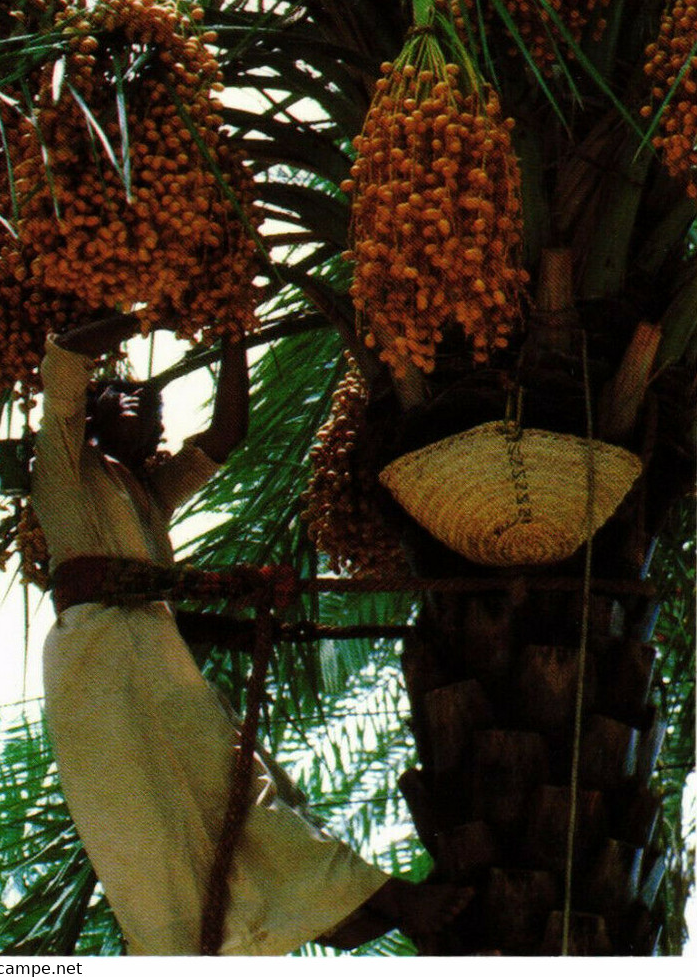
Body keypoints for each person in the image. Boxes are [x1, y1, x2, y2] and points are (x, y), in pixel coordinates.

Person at [34, 313, 468, 955]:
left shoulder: (147, 493)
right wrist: (149, 315)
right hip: (96, 664)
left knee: (239, 782)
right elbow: (66, 356)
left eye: (152, 404)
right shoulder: (64, 464)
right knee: (150, 823)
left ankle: (342, 903)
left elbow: (225, 436)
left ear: (158, 433)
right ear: (89, 416)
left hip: (150, 654)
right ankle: (351, 906)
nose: (139, 401)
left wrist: (234, 332)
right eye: (119, 393)